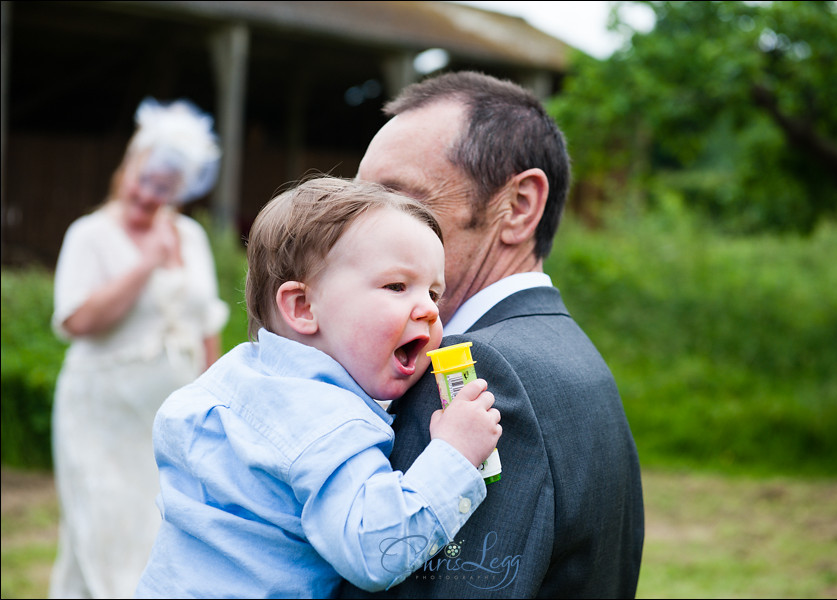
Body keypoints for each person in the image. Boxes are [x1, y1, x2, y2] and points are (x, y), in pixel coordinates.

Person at [345, 71, 645, 598]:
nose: (358, 227)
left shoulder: (475, 371)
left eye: (400, 199)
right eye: (360, 200)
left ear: (519, 206)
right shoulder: (571, 354)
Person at [135, 177, 503, 598]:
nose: (428, 310)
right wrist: (454, 454)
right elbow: (377, 551)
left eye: (435, 293)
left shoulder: (231, 379)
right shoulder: (328, 420)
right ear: (303, 307)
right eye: (397, 287)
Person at [48, 97, 229, 599]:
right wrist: (144, 264)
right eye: (143, 179)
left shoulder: (189, 236)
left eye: (164, 188)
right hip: (100, 411)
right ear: (128, 166)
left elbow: (207, 319)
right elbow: (78, 321)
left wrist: (208, 393)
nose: (148, 194)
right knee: (103, 517)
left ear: (181, 191)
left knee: (158, 519)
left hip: (167, 413)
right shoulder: (89, 235)